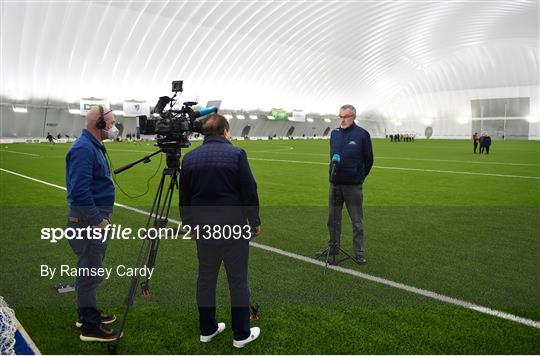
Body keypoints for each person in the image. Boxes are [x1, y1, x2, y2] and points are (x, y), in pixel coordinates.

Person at [180, 114, 261, 348]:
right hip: (233, 228)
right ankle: (241, 334)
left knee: (205, 279)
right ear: (225, 131)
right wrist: (254, 221)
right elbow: (249, 190)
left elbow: (184, 197)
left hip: (204, 230)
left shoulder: (190, 158)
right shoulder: (236, 154)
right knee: (237, 281)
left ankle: (207, 329)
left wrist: (189, 225)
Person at [65, 105, 121, 342]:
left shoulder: (92, 146)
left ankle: (86, 313)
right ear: (99, 124)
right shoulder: (84, 148)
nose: (113, 127)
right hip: (89, 221)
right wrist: (97, 220)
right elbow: (79, 190)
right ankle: (89, 327)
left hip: (92, 218)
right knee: (90, 271)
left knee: (90, 268)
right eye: (110, 123)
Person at [317, 104, 373, 264]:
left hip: (353, 186)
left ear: (354, 117)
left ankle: (359, 252)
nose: (342, 119)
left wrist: (359, 177)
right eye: (340, 116)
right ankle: (333, 247)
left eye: (346, 116)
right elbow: (331, 156)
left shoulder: (362, 134)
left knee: (357, 221)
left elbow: (369, 160)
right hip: (334, 184)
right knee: (332, 219)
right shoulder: (334, 134)